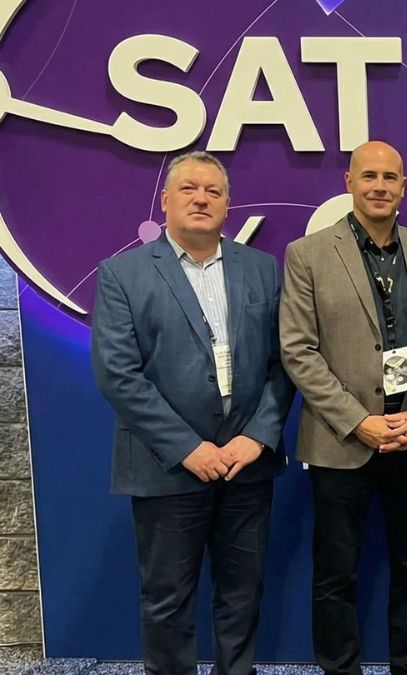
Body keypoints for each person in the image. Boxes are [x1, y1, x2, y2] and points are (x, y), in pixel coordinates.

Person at [92, 151, 293, 675]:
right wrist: (188, 448)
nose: (201, 199)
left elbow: (285, 363)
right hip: (168, 469)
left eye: (213, 191)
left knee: (243, 595)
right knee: (167, 601)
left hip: (246, 465)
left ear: (227, 205)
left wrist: (258, 436)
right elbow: (118, 374)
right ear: (165, 200)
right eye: (188, 189)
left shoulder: (262, 268)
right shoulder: (122, 274)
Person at [279, 140, 407, 675]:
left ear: (404, 186)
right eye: (369, 176)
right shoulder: (307, 254)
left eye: (390, 177)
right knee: (336, 572)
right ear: (349, 182)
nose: (380, 186)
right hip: (341, 442)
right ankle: (340, 668)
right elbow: (298, 349)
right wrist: (358, 421)